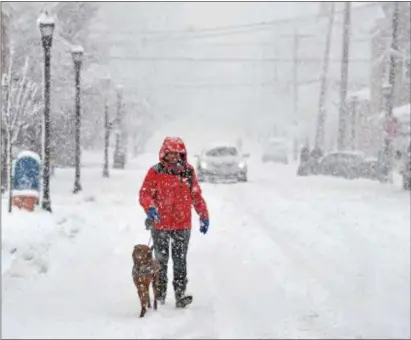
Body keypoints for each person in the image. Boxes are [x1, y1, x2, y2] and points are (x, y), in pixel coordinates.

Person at [139, 137, 209, 308]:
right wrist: (151, 208)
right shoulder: (155, 172)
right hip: (160, 224)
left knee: (180, 260)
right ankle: (160, 295)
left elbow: (196, 195)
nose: (172, 157)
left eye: (176, 154)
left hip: (182, 224)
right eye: (169, 154)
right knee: (161, 261)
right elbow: (145, 194)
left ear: (181, 154)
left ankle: (180, 293)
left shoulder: (187, 172)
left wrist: (203, 215)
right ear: (164, 154)